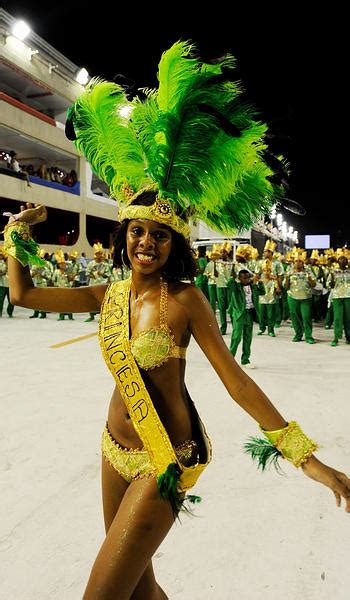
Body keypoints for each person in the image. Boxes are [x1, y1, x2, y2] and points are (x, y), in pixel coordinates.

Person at [3, 41, 350, 600]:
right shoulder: (107, 294)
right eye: (138, 231)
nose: (146, 242)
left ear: (174, 244)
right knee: (140, 591)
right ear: (124, 236)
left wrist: (304, 457)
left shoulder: (185, 300)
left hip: (165, 459)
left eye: (159, 235)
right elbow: (21, 293)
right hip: (114, 450)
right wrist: (16, 234)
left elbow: (233, 378)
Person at [229, 267, 264, 368]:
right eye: (244, 278)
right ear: (239, 279)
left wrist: (260, 281)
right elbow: (229, 285)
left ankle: (245, 360)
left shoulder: (253, 287)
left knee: (248, 338)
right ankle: (230, 359)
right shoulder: (236, 287)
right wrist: (233, 276)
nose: (247, 280)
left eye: (248, 278)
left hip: (249, 314)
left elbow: (262, 292)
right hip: (239, 314)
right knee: (236, 337)